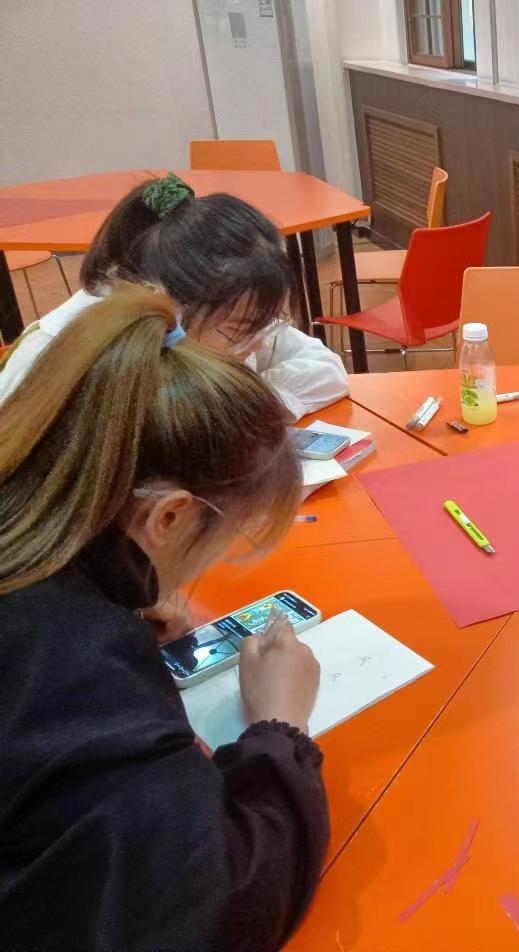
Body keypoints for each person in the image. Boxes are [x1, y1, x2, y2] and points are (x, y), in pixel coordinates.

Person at [0, 287, 329, 949]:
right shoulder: (82, 678)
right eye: (225, 540)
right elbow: (219, 907)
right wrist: (281, 727)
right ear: (169, 517)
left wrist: (120, 589)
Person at [0, 173, 348, 419]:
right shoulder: (66, 359)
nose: (257, 343)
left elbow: (326, 370)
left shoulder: (223, 311)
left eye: (267, 322)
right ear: (171, 306)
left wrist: (241, 403)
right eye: (240, 329)